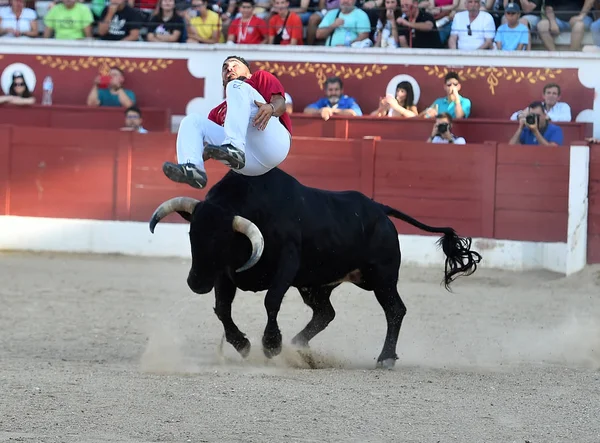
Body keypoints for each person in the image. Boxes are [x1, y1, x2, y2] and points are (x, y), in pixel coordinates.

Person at [162, 55, 292, 189]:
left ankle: (234, 148)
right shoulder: (216, 112)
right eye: (225, 68)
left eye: (235, 65)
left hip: (273, 144)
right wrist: (194, 152)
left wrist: (270, 108)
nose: (229, 68)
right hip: (248, 165)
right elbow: (209, 147)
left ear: (248, 73)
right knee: (192, 121)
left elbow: (281, 104)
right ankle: (192, 168)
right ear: (222, 81)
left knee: (236, 86)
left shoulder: (259, 78)